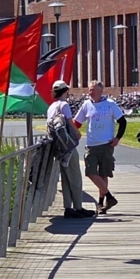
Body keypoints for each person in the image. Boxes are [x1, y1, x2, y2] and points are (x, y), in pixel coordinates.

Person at [73, 80, 128, 215]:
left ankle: (101, 203)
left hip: (106, 144)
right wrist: (69, 131)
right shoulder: (87, 104)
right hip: (91, 144)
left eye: (92, 90)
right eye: (89, 89)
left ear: (100, 91)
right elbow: (77, 122)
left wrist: (117, 138)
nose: (90, 92)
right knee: (91, 172)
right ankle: (110, 197)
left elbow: (122, 121)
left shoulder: (110, 104)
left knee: (104, 174)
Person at [48, 81, 95, 219]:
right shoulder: (64, 105)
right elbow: (69, 122)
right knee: (75, 177)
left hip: (58, 147)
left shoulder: (51, 107)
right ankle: (78, 207)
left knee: (65, 178)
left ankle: (68, 207)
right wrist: (78, 134)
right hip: (68, 146)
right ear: (65, 91)